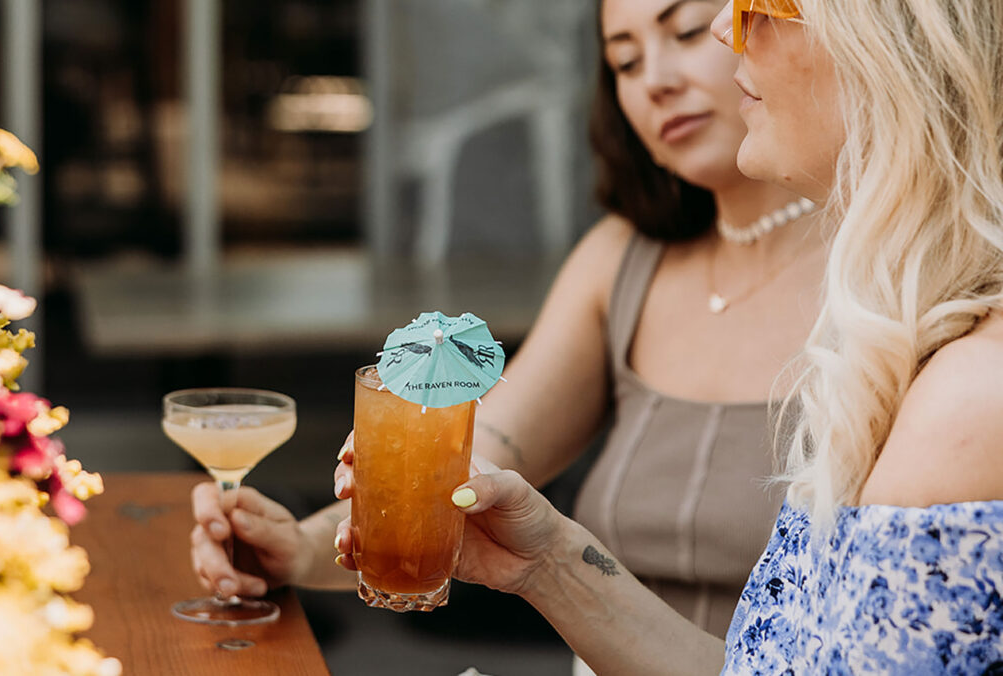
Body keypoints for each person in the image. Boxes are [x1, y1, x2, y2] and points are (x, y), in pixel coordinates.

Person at [331, 0, 1003, 672]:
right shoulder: (897, 333)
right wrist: (545, 562)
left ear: (890, 43)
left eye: (758, 5)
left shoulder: (967, 396)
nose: (725, 29)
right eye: (623, 60)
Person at [189, 0, 828, 644]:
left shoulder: (886, 275)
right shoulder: (621, 259)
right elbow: (486, 450)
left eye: (688, 32)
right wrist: (296, 545)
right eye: (624, 62)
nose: (655, 81)